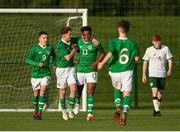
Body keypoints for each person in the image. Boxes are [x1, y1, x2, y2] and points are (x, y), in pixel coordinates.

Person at [97, 20, 139, 126]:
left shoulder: (113, 42)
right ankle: (124, 113)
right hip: (127, 71)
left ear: (118, 29)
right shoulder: (133, 43)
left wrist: (101, 63)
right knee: (127, 94)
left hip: (114, 71)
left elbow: (110, 53)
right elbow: (137, 59)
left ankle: (118, 108)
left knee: (117, 89)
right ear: (128, 30)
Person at [73, 26, 106, 121]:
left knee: (91, 90)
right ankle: (77, 103)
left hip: (91, 70)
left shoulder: (95, 42)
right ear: (82, 35)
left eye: (88, 34)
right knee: (79, 90)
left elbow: (103, 53)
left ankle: (90, 113)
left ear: (91, 34)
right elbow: (80, 51)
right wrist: (76, 49)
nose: (86, 36)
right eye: (84, 35)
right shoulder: (79, 41)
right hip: (80, 70)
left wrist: (96, 63)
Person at [26, 31, 56, 120]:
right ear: (39, 39)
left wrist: (54, 64)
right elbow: (27, 60)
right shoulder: (34, 49)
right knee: (36, 94)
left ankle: (39, 113)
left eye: (47, 38)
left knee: (42, 91)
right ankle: (36, 109)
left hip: (46, 74)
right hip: (35, 74)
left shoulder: (50, 48)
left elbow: (54, 56)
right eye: (44, 38)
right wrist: (37, 64)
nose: (46, 39)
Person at [142, 35, 173, 117]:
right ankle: (158, 111)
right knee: (154, 92)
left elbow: (169, 59)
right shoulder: (149, 50)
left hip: (162, 74)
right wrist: (144, 74)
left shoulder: (165, 48)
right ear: (153, 42)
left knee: (160, 94)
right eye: (155, 41)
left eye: (159, 41)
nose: (157, 43)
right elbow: (145, 62)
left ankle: (155, 109)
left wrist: (169, 69)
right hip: (153, 74)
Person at [56, 26, 79, 120]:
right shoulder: (60, 44)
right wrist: (74, 50)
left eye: (71, 34)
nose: (71, 36)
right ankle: (63, 110)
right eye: (69, 34)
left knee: (73, 88)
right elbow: (68, 57)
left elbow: (82, 37)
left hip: (71, 68)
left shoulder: (72, 39)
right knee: (63, 91)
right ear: (64, 35)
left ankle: (70, 109)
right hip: (61, 69)